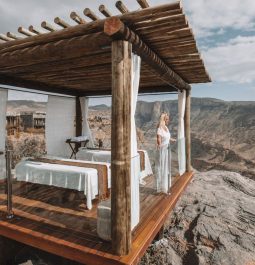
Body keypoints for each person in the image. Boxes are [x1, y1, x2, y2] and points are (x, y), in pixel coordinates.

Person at [156, 112, 176, 194]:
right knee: (162, 167)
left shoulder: (166, 128)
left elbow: (167, 137)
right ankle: (162, 187)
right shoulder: (160, 128)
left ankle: (166, 186)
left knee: (166, 167)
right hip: (163, 150)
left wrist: (172, 140)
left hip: (167, 149)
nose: (168, 120)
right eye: (167, 119)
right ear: (163, 120)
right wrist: (159, 146)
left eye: (168, 119)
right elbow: (158, 139)